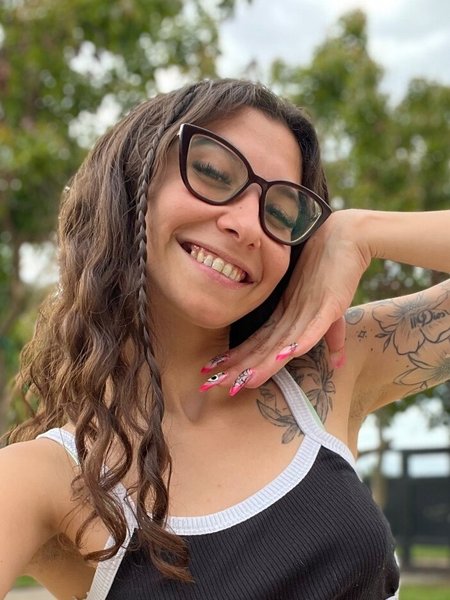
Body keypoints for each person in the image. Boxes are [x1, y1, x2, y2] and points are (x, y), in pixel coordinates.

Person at [1, 78, 449, 600]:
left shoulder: (327, 371)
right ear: (131, 182)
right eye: (213, 174)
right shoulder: (46, 479)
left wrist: (359, 232)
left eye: (281, 213)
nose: (249, 226)